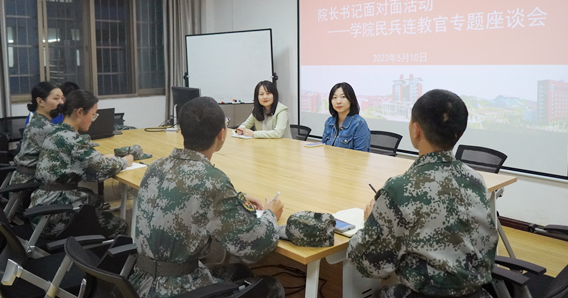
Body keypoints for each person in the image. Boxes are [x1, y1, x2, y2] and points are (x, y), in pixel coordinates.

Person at [347, 89, 498, 298]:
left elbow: (368, 264)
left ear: (416, 130)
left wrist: (370, 222)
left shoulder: (400, 188)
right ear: (459, 133)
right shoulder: (475, 180)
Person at [129, 97, 285, 298]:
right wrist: (270, 214)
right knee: (272, 287)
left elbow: (188, 191)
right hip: (177, 290)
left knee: (239, 271)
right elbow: (256, 245)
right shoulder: (212, 181)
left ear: (182, 131)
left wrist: (234, 198)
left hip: (138, 283)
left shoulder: (156, 167)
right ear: (222, 134)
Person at [29, 89, 133, 238]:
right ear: (79, 112)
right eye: (93, 115)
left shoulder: (57, 132)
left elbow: (82, 161)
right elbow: (100, 170)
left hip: (43, 206)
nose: (93, 120)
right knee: (120, 225)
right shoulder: (73, 140)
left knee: (95, 202)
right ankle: (90, 251)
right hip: (57, 215)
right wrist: (125, 161)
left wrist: (103, 158)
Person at [10, 82, 63, 185]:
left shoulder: (37, 120)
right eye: (56, 98)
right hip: (31, 184)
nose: (61, 102)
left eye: (62, 98)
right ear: (40, 101)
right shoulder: (45, 127)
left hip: (25, 179)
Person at [321, 82, 371, 151]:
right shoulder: (329, 122)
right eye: (334, 97)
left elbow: (361, 154)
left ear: (351, 99)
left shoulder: (359, 124)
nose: (338, 101)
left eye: (343, 97)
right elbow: (323, 147)